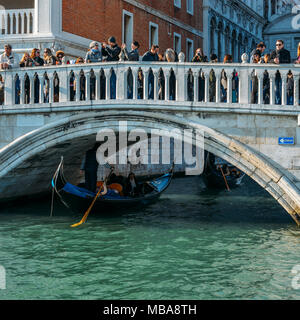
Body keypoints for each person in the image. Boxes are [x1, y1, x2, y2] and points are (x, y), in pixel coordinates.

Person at [270, 40, 291, 105]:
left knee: (284, 88)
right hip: (275, 74)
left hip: (284, 74)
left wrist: (280, 61)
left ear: (282, 45)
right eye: (276, 45)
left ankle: (284, 102)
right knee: (276, 89)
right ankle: (278, 102)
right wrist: (273, 60)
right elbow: (268, 60)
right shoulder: (273, 52)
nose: (278, 46)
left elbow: (288, 61)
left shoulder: (287, 52)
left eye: (279, 44)